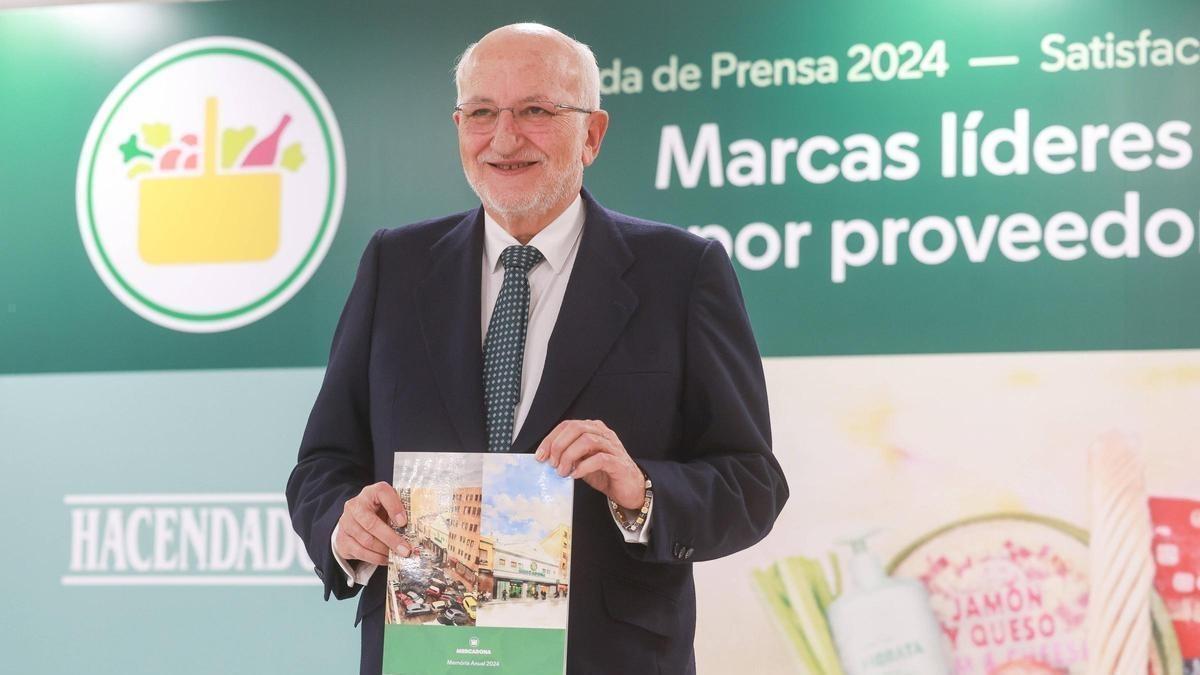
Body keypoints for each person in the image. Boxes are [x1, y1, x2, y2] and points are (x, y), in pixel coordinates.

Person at [286, 22, 788, 675]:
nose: (504, 137)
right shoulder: (395, 264)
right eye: (482, 113)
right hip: (431, 652)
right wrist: (340, 524)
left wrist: (639, 488)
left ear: (593, 134)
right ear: (459, 127)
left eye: (536, 111)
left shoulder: (682, 272)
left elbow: (751, 480)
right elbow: (324, 460)